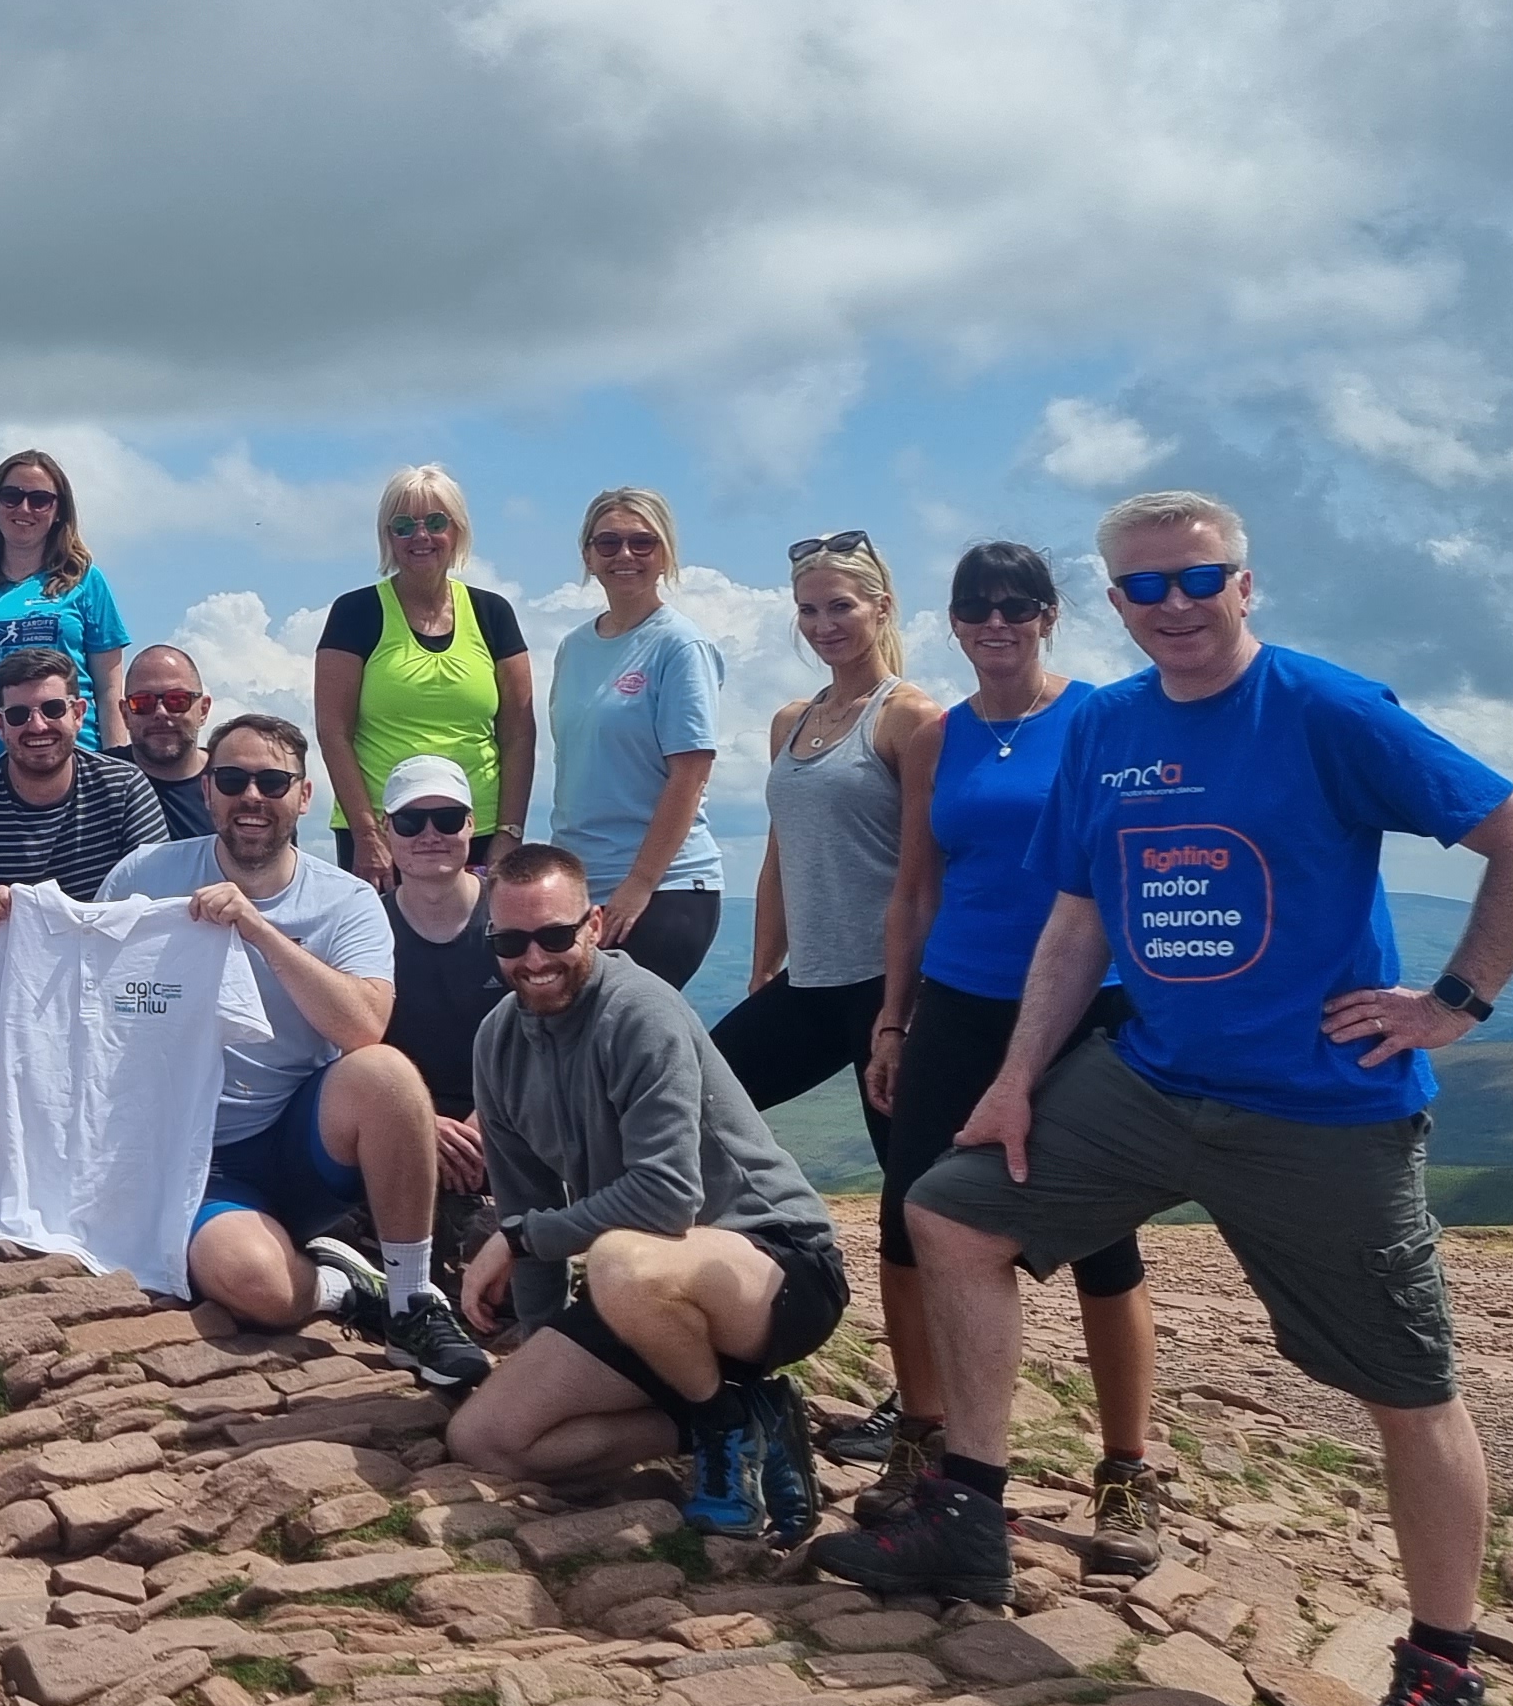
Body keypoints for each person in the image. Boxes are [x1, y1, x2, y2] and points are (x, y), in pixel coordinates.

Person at [822, 491, 1513, 1706]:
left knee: (1406, 1387)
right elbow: (1076, 920)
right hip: (1155, 1077)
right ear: (1114, 603)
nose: (1173, 606)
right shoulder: (1109, 727)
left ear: (1245, 584)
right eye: (1147, 589)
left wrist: (1451, 1005)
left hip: (1320, 1107)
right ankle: (971, 1516)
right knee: (950, 1214)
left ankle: (1443, 1670)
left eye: (1198, 580)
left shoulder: (1326, 707)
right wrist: (1013, 1083)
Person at [837, 541, 1163, 1559]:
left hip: (1084, 1005)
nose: (997, 621)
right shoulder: (940, 736)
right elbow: (916, 890)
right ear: (954, 618)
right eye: (977, 604)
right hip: (961, 1000)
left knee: (1103, 1243)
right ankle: (927, 1442)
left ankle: (1126, 1473)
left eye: (1017, 604)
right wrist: (894, 1018)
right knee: (906, 1220)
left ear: (1049, 614)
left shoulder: (1103, 718)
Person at [443, 845, 847, 1543]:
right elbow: (524, 1203)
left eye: (555, 936)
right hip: (649, 1298)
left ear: (594, 925)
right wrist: (547, 1342)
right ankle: (742, 1416)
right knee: (489, 1439)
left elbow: (665, 1199)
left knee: (619, 1260)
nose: (534, 959)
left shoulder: (641, 1013)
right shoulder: (498, 1042)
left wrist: (520, 1239)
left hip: (774, 1270)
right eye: (511, 942)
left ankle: (723, 1430)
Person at [85, 713, 488, 1391]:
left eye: (272, 781)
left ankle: (413, 1299)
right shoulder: (144, 875)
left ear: (303, 797)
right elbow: (88, 1002)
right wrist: (16, 922)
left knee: (385, 1075)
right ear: (207, 788)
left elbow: (364, 1029)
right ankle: (344, 1288)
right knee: (257, 1288)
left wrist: (260, 932)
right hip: (190, 1159)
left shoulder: (348, 902)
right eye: (234, 779)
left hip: (297, 1143)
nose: (252, 796)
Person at [705, 533, 936, 1124]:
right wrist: (763, 967)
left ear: (880, 608)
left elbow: (928, 870)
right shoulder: (790, 721)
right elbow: (779, 857)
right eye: (808, 610)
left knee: (906, 1178)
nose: (822, 625)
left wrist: (899, 1016)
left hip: (888, 983)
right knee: (696, 1103)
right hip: (809, 979)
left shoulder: (909, 717)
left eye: (840, 607)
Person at [0, 649, 170, 1119]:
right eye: (18, 714)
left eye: (52, 709)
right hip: (15, 1020)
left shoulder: (125, 790)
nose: (37, 726)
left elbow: (154, 927)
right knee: (4, 1115)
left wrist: (37, 912)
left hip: (117, 1008)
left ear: (78, 712)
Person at [544, 486, 727, 991]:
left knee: (622, 1036)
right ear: (588, 556)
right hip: (583, 885)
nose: (625, 555)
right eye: (608, 543)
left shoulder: (680, 645)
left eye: (642, 543)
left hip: (662, 885)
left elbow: (689, 775)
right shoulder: (573, 647)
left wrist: (639, 884)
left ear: (665, 553)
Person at [315, 465, 536, 884]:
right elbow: (333, 731)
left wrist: (510, 833)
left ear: (458, 531)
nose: (420, 537)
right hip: (384, 833)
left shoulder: (493, 614)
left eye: (435, 522)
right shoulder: (355, 613)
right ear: (387, 537)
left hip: (478, 831)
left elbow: (519, 733)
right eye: (403, 526)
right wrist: (366, 835)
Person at [0, 450, 130, 781]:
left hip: (76, 773)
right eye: (11, 496)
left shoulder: (87, 581)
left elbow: (109, 691)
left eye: (40, 499)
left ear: (59, 511)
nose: (24, 509)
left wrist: (118, 772)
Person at [372, 754, 501, 1261]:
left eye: (446, 819)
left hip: (508, 1125)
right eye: (410, 820)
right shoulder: (364, 928)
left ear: (471, 824)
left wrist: (487, 1124)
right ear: (387, 829)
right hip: (398, 1128)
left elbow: (556, 1037)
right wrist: (421, 1123)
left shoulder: (513, 919)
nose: (430, 834)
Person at [116, 646, 219, 840]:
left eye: (177, 700)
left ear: (203, 710)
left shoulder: (238, 784)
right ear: (125, 714)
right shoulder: (91, 781)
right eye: (142, 702)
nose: (161, 713)